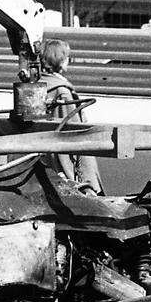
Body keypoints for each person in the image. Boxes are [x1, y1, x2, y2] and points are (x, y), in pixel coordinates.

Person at [41, 39, 103, 194]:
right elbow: (74, 130)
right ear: (60, 61)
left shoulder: (41, 85)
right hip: (65, 154)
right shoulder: (62, 91)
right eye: (66, 57)